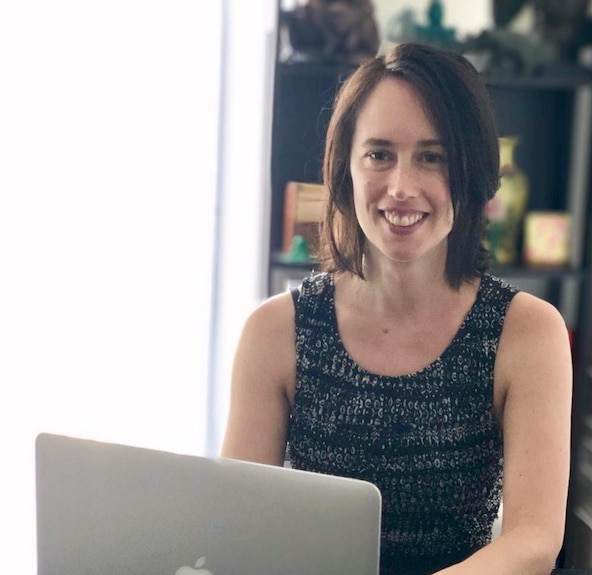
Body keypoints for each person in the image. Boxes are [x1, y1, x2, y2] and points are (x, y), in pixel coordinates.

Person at [221, 42, 572, 575]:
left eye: (431, 157)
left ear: (471, 172)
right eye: (379, 154)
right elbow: (236, 524)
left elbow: (535, 539)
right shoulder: (275, 330)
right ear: (346, 170)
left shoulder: (526, 332)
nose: (402, 187)